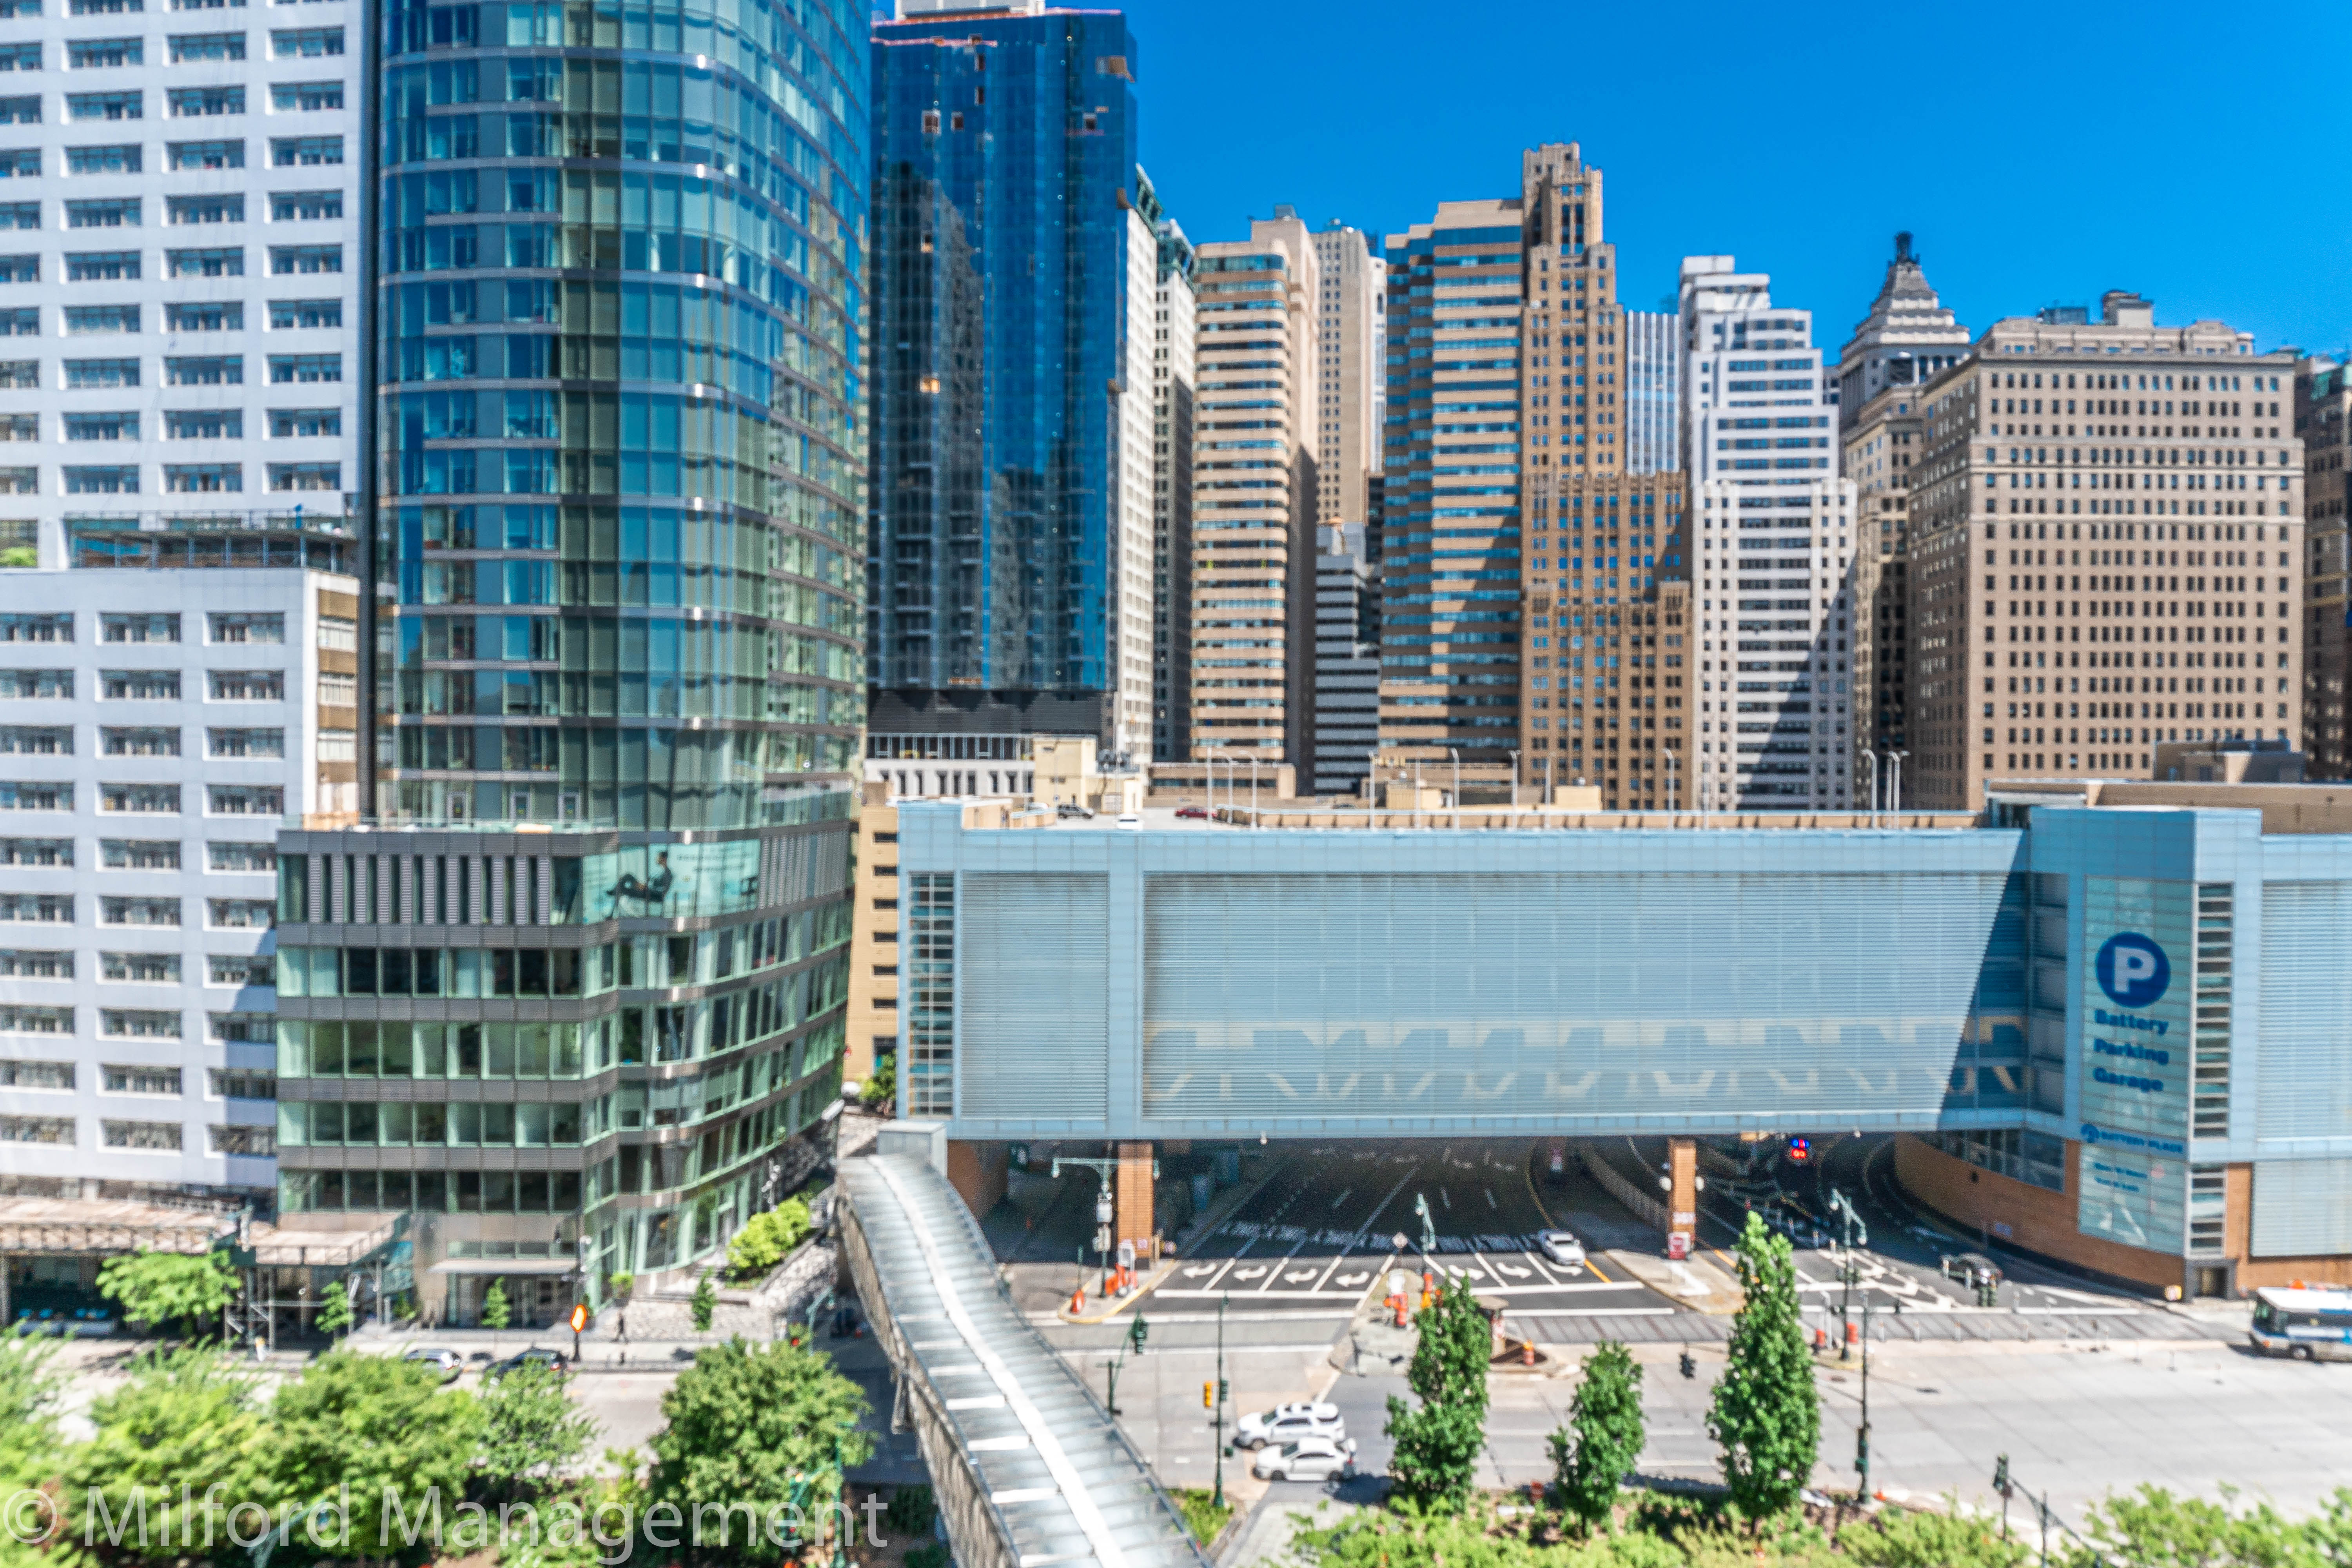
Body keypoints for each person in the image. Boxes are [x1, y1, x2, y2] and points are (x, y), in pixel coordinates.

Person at [609, 851, 675, 907]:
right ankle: (615, 891)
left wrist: (646, 888)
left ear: (664, 859)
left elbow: (663, 891)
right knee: (625, 880)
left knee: (626, 880)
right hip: (646, 891)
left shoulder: (668, 874)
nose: (656, 859)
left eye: (658, 857)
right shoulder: (660, 872)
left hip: (651, 894)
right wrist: (644, 886)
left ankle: (615, 892)